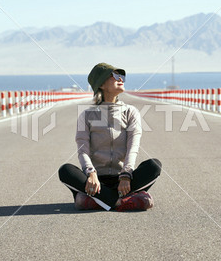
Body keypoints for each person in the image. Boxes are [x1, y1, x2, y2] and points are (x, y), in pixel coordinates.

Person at [58, 63, 162, 211]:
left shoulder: (130, 112)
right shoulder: (87, 115)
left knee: (154, 165)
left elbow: (133, 147)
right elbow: (83, 150)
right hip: (95, 181)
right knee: (65, 170)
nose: (121, 79)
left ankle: (95, 200)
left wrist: (126, 175)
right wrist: (91, 173)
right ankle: (121, 202)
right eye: (114, 76)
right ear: (101, 84)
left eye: (122, 76)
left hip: (123, 181)